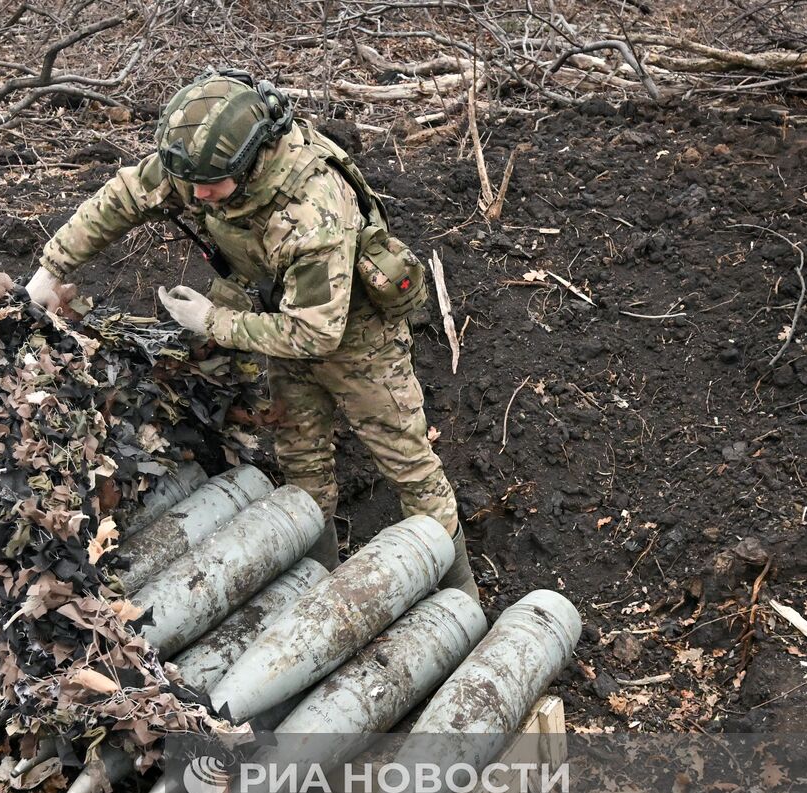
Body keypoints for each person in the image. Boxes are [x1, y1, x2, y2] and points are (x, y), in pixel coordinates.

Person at [25, 68, 478, 600]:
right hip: (275, 318)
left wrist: (212, 322)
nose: (196, 194)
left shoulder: (310, 211)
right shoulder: (204, 162)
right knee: (301, 462)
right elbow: (125, 195)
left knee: (409, 467)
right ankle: (316, 586)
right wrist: (50, 270)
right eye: (190, 182)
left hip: (356, 342)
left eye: (209, 185)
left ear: (251, 160)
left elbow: (316, 335)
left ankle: (458, 599)